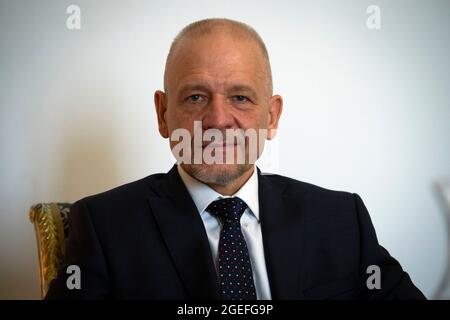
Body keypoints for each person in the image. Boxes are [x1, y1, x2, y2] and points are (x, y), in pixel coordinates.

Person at [46, 18, 425, 300]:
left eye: (240, 97)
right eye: (196, 97)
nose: (218, 120)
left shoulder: (342, 220)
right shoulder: (104, 227)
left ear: (272, 116)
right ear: (163, 114)